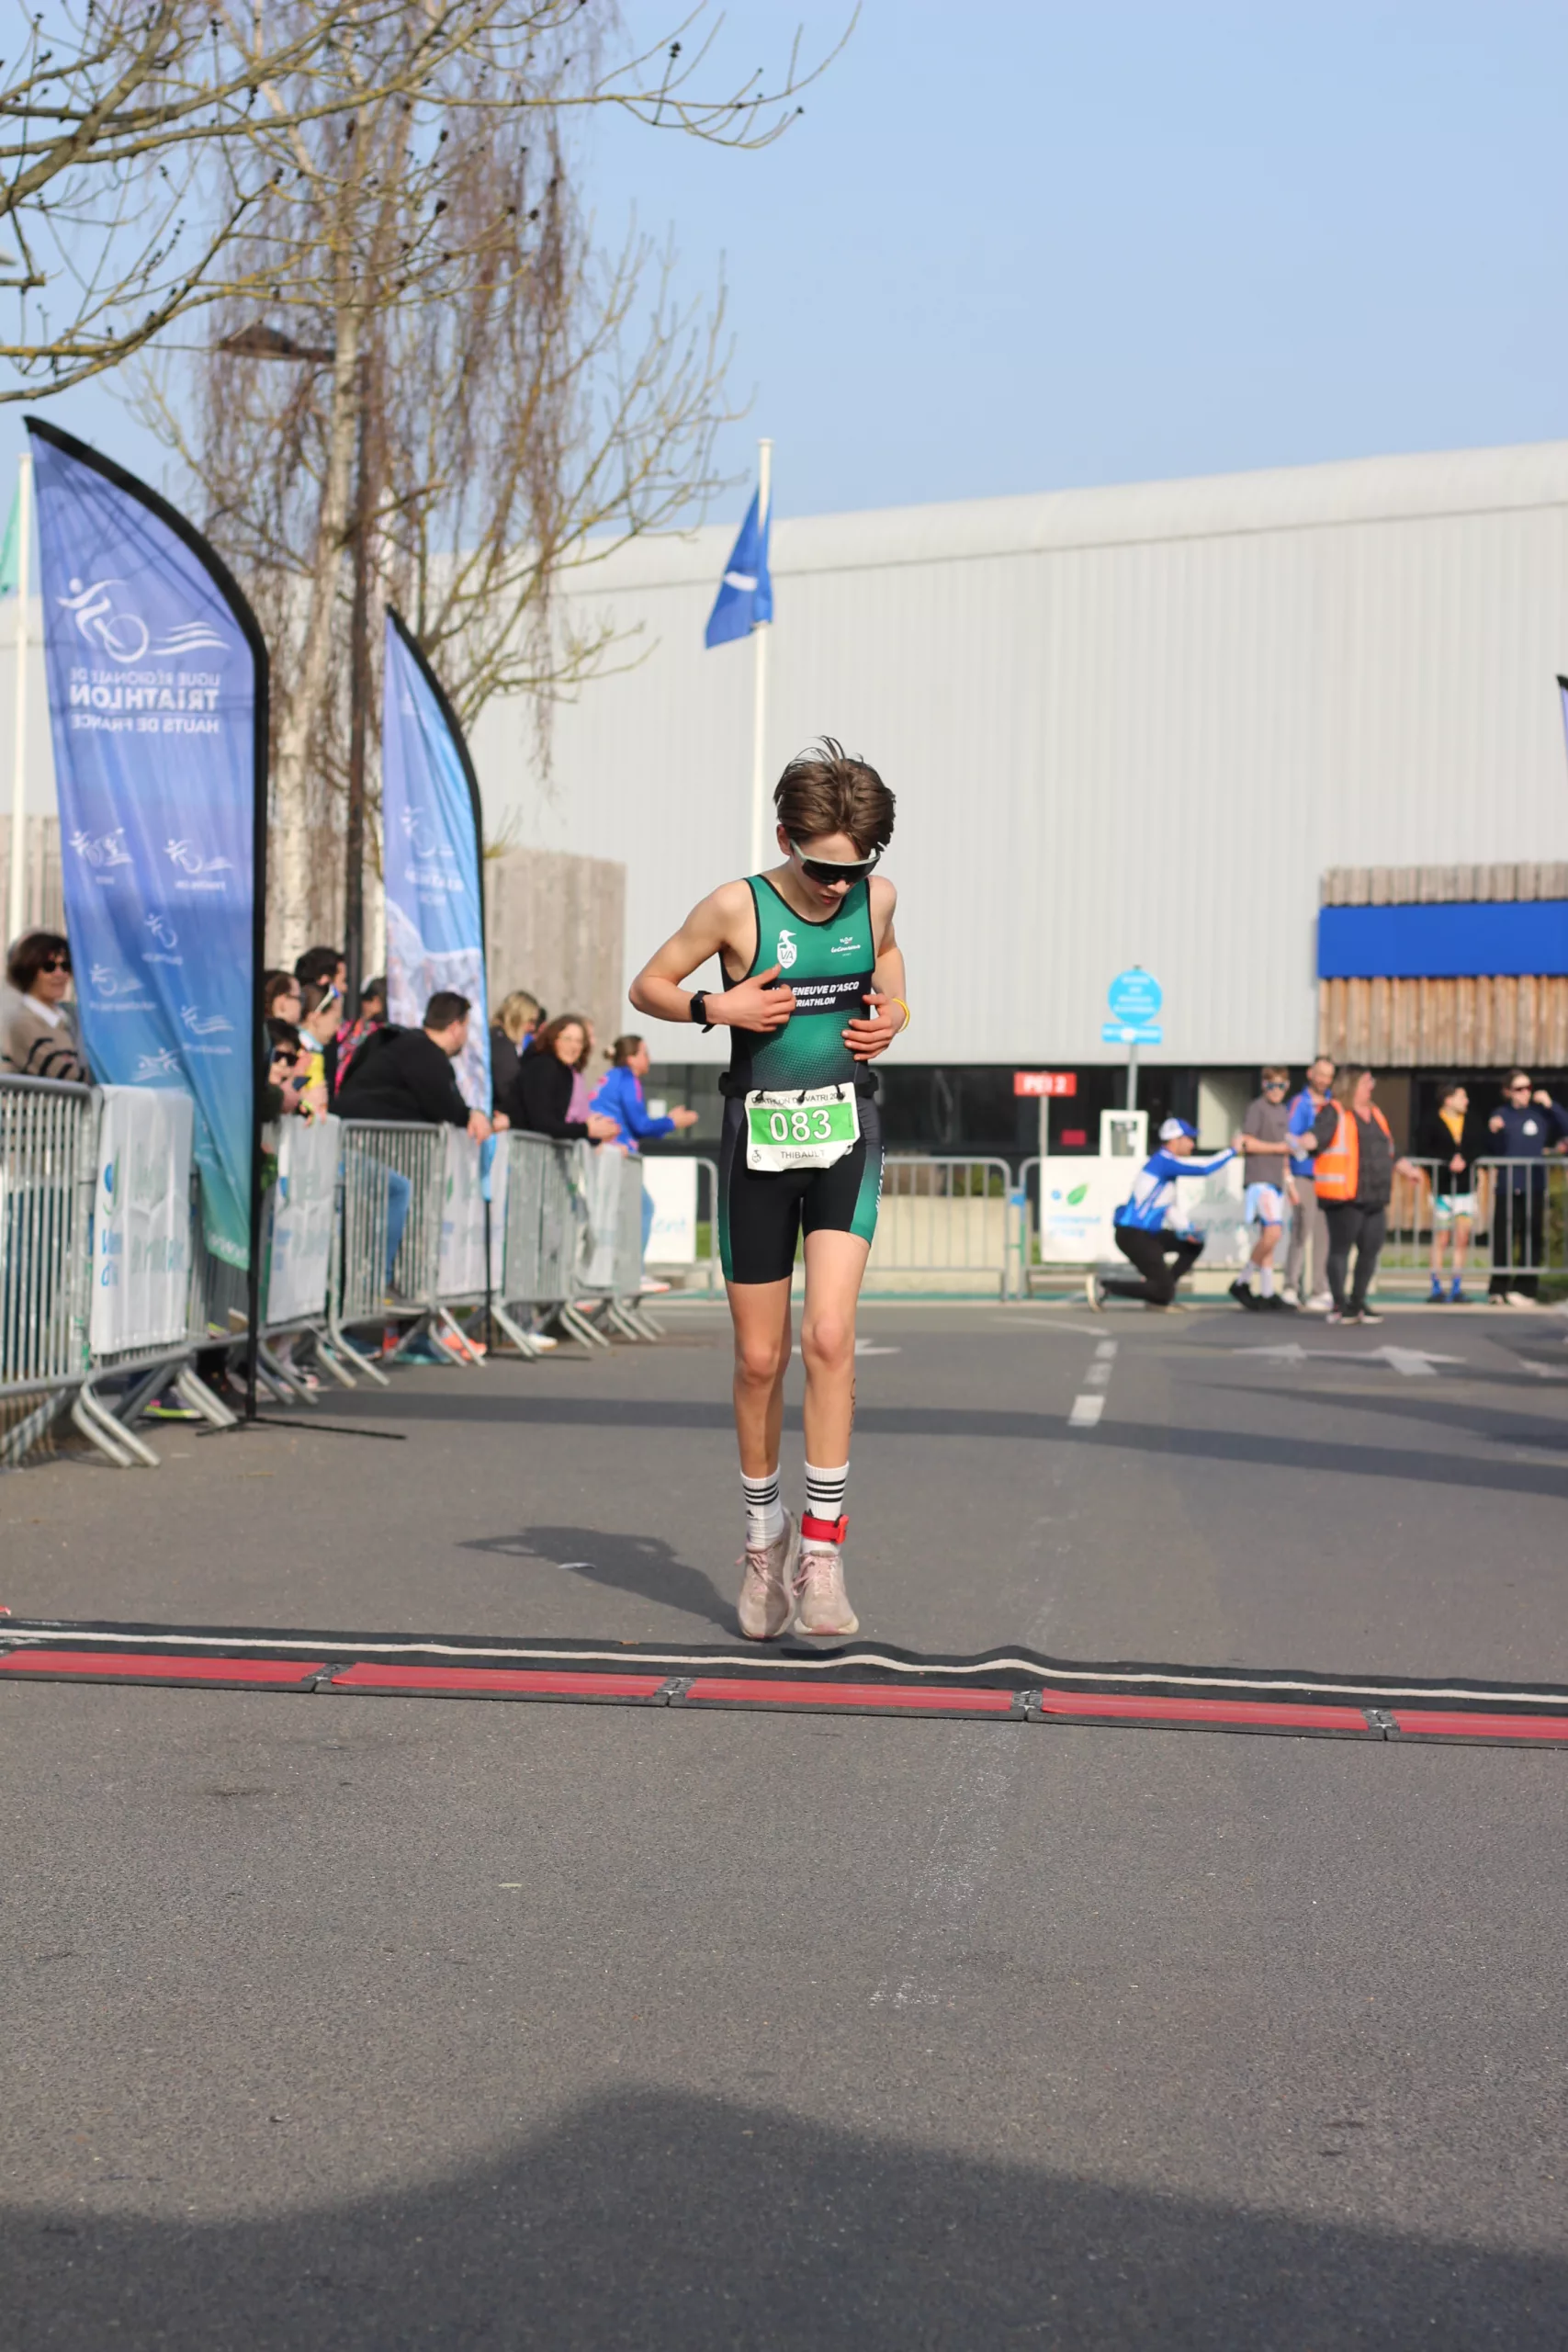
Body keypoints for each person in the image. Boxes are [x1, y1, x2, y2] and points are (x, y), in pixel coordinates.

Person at [628, 738, 908, 1643]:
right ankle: (763, 1541)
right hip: (758, 1137)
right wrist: (718, 1007)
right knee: (759, 1359)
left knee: (828, 1336)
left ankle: (821, 1554)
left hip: (845, 1132)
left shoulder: (876, 898)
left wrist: (896, 1013)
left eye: (854, 869)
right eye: (822, 869)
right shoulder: (734, 906)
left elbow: (888, 959)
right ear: (785, 838)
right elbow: (648, 986)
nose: (838, 887)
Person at [1311, 1066, 1421, 1325]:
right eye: (1366, 1082)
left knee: (1371, 1248)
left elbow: (1390, 1149)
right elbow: (1317, 1137)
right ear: (1352, 1085)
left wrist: (1407, 1169)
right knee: (1341, 1249)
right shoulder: (1335, 1111)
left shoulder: (1376, 1113)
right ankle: (1340, 1305)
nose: (1371, 1087)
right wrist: (1302, 1142)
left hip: (1374, 1194)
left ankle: (1358, 1301)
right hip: (1345, 1196)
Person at [1089, 1119, 1236, 1310]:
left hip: (1147, 1235)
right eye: (1189, 1139)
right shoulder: (1163, 1162)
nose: (1192, 1144)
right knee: (1163, 1291)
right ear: (1175, 1140)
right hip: (1133, 1235)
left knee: (1194, 1244)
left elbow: (1168, 1209)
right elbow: (1204, 1168)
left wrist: (1188, 1230)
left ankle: (1162, 1291)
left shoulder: (1166, 1166)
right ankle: (1105, 1286)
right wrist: (1232, 1150)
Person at [335, 989, 502, 1142]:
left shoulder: (405, 1043)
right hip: (363, 1142)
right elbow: (445, 1107)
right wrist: (471, 1116)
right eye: (466, 1027)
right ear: (455, 1028)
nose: (466, 1036)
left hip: (353, 1134)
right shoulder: (426, 1053)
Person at [1484, 1070, 1568, 1304]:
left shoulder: (1540, 1114)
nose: (1525, 1093)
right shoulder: (1501, 1114)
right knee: (1503, 1238)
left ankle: (1525, 1289)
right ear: (1508, 1092)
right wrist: (1493, 1131)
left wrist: (1551, 1105)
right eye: (1519, 1089)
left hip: (1534, 1186)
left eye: (1528, 1088)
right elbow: (1492, 1148)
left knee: (1532, 1238)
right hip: (1508, 1186)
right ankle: (1498, 1289)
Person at [1230, 1065, 1295, 1311]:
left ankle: (1267, 1291)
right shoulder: (1257, 1108)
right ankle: (1243, 1280)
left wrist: (1289, 1182)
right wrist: (1278, 1148)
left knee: (1268, 1237)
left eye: (1281, 1086)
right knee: (1273, 1232)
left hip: (1276, 1180)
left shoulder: (1283, 1111)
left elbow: (1286, 1150)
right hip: (1260, 1180)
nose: (1276, 1090)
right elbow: (1247, 1142)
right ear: (1264, 1085)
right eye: (1272, 1085)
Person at [1420, 1080, 1482, 1303]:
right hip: (1443, 1190)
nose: (1466, 1101)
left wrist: (1464, 1159)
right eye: (1461, 1097)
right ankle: (1436, 1286)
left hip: (1465, 1189)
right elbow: (1424, 1148)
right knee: (1442, 1237)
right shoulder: (1431, 1121)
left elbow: (1479, 1146)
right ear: (1448, 1099)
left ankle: (1457, 1286)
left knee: (1462, 1237)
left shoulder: (1472, 1121)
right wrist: (1448, 1161)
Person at [516, 1015, 621, 1142]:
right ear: (554, 1039)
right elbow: (542, 1123)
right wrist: (587, 1129)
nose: (573, 1046)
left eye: (579, 1041)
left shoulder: (567, 1072)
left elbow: (559, 1126)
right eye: (567, 1039)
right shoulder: (543, 1066)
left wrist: (596, 1135)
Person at [3, 931, 91, 1081]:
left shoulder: (70, 1019)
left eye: (66, 966)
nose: (60, 974)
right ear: (29, 970)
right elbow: (67, 1075)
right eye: (49, 967)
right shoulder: (22, 1022)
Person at [1283, 1055, 1335, 1310]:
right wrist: (1304, 1147)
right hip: (1304, 1174)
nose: (1324, 1080)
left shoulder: (1334, 1103)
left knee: (1324, 1235)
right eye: (1321, 1074)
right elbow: (1288, 1137)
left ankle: (1319, 1289)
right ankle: (1291, 1286)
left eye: (1329, 1076)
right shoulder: (1299, 1103)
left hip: (1328, 1176)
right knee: (1301, 1230)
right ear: (1310, 1074)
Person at [490, 990, 544, 1128]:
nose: (532, 1028)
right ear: (516, 1017)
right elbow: (508, 1089)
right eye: (530, 1021)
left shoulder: (500, 1040)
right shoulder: (501, 1044)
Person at [334, 974, 386, 1069]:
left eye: (365, 998)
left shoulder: (371, 1032)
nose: (362, 1003)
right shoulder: (355, 1026)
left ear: (376, 1002)